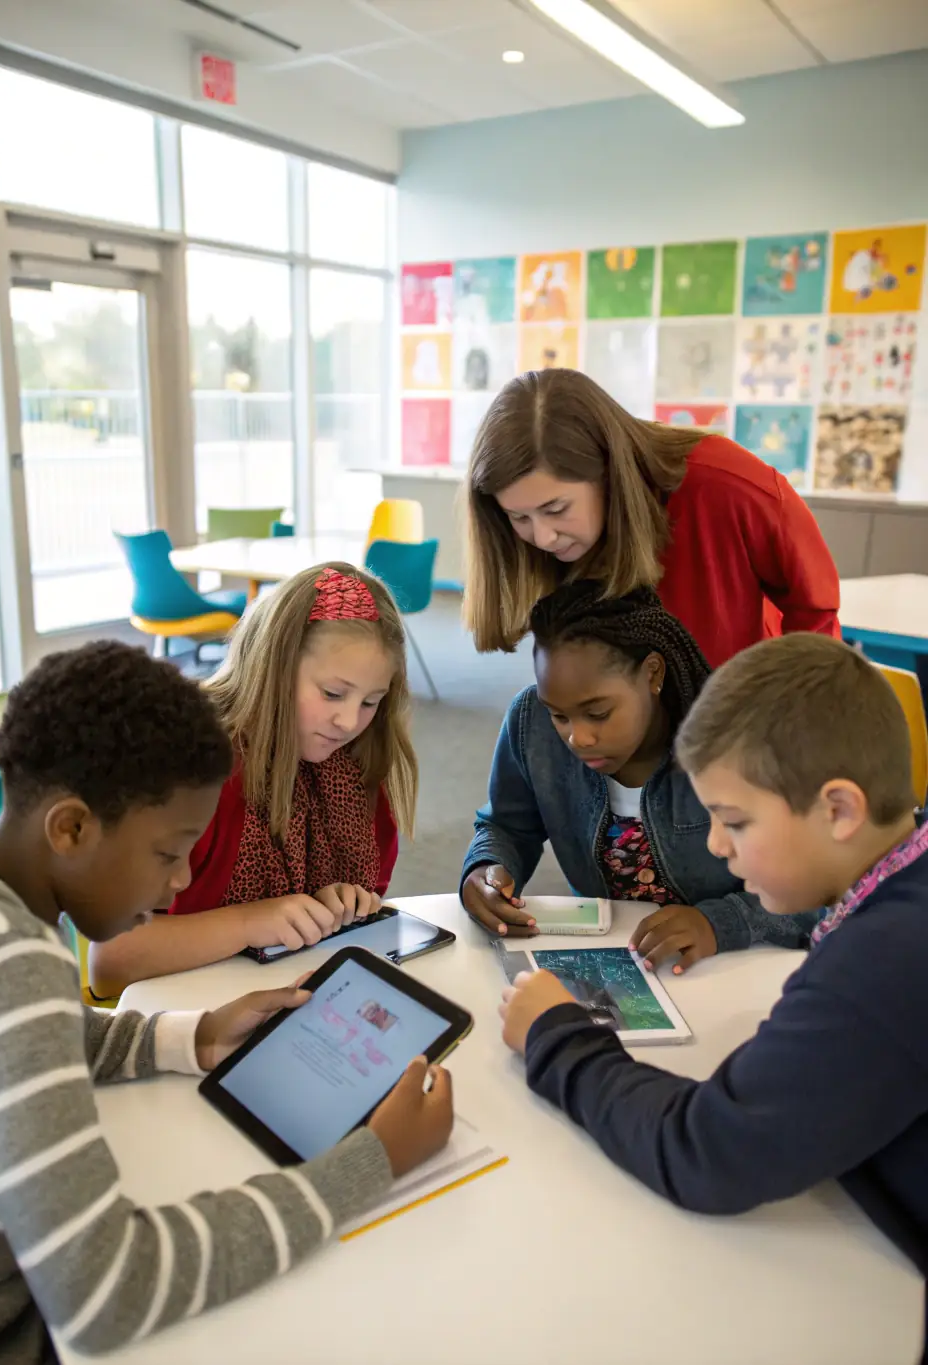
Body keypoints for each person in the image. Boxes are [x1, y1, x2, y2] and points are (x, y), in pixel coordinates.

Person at [0, 641, 452, 1364]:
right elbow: (107, 1291)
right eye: (169, 853)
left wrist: (192, 1036)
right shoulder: (4, 966)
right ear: (69, 828)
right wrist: (373, 1158)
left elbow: (27, 1045)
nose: (183, 880)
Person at [499, 634, 927, 1339]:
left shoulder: (882, 962)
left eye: (735, 822)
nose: (719, 849)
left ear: (840, 810)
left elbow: (706, 1152)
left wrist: (557, 1033)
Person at [89, 564, 418, 998]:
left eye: (371, 701)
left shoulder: (353, 766)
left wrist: (334, 903)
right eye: (333, 694)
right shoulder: (186, 769)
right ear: (273, 667)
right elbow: (109, 961)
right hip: (181, 1018)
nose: (348, 721)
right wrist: (250, 921)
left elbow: (350, 910)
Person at [461, 581, 817, 964]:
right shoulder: (530, 722)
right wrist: (485, 868)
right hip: (615, 959)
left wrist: (719, 923)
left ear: (652, 673)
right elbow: (508, 826)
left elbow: (820, 888)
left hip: (734, 965)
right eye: (559, 715)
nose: (576, 737)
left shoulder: (737, 740)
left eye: (598, 713)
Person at [463, 368, 840, 667]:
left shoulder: (728, 486)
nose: (543, 538)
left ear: (608, 472)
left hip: (736, 718)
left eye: (556, 510)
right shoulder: (547, 529)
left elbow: (814, 613)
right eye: (518, 517)